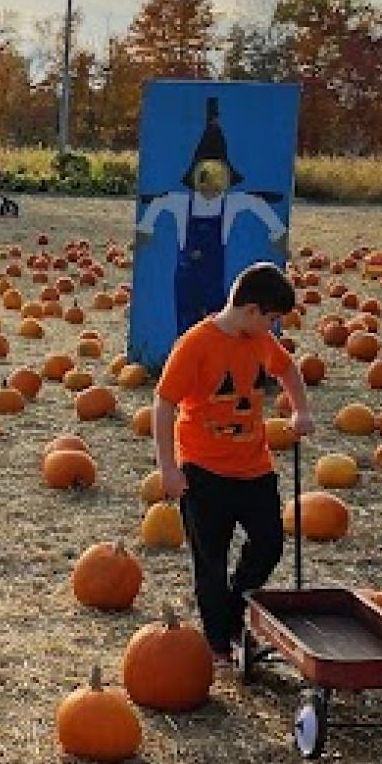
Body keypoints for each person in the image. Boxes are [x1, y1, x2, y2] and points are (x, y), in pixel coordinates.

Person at [153, 259, 313, 661]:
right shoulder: (196, 344)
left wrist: (300, 410)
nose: (273, 327)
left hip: (254, 467)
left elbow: (288, 371)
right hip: (203, 471)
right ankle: (218, 640)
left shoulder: (260, 341)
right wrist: (168, 468)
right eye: (271, 319)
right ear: (252, 310)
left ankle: (236, 607)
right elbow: (164, 403)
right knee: (211, 560)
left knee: (269, 543)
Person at [136, 96, 289, 338]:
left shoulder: (230, 205)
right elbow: (158, 203)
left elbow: (255, 203)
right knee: (186, 325)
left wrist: (277, 230)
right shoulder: (181, 203)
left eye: (218, 177)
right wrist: (145, 228)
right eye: (205, 177)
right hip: (186, 280)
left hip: (212, 279)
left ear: (228, 178)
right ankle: (184, 355)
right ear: (195, 176)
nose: (211, 185)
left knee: (216, 324)